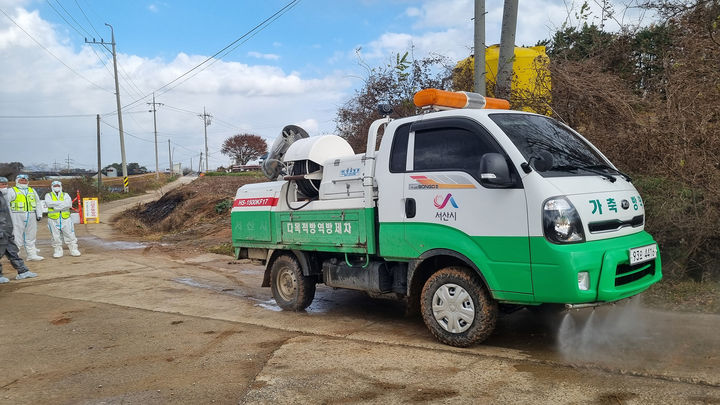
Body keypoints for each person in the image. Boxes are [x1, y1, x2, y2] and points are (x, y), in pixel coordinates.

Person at [0, 189, 38, 283]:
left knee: (13, 251)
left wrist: (9, 229)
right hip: (2, 230)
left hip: (6, 229)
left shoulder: (1, 196)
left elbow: (6, 215)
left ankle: (23, 271)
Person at [5, 174, 44, 261]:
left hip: (31, 215)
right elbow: (7, 204)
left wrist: (39, 214)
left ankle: (31, 254)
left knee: (31, 235)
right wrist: (9, 217)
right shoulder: (12, 190)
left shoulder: (32, 190)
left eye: (25, 180)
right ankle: (15, 256)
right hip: (17, 215)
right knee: (16, 236)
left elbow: (37, 202)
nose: (24, 181)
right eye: (22, 180)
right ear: (17, 181)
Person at [44, 180, 81, 258]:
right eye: (55, 186)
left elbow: (69, 204)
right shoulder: (48, 195)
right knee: (55, 236)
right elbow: (48, 203)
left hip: (66, 218)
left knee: (70, 234)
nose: (56, 187)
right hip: (53, 219)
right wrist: (62, 204)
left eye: (58, 185)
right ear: (52, 187)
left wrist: (55, 206)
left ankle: (73, 249)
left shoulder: (65, 195)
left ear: (61, 186)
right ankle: (58, 251)